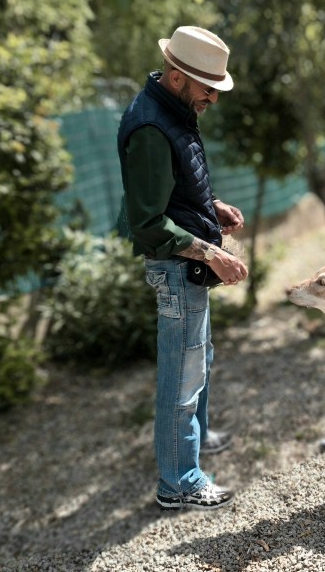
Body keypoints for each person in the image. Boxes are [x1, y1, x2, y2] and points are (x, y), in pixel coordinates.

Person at [116, 25, 248, 511]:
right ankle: (179, 481)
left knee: (199, 361)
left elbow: (173, 188)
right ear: (176, 77)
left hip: (187, 268)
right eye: (207, 87)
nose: (213, 96)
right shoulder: (151, 127)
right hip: (178, 270)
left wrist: (212, 206)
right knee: (182, 374)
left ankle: (196, 439)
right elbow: (148, 223)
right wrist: (212, 252)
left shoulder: (172, 112)